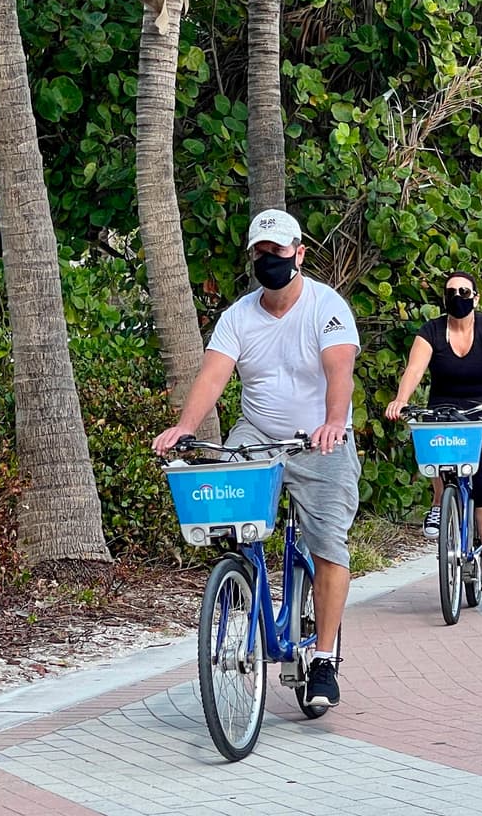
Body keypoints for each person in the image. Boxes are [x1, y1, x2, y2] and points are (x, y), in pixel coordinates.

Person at [152, 209, 361, 710]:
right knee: (234, 524)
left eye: (279, 252)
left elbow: (340, 372)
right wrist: (185, 426)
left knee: (330, 546)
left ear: (299, 254)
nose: (270, 261)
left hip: (320, 440)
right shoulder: (238, 317)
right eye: (261, 253)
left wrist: (334, 420)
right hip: (257, 435)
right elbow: (213, 377)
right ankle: (241, 586)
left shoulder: (326, 308)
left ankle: (325, 658)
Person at [384, 272, 482, 593]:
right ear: (443, 299)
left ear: (475, 298)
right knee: (437, 458)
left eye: (464, 291)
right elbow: (415, 369)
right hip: (444, 411)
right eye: (451, 292)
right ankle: (439, 503)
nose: (457, 296)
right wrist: (401, 400)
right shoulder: (431, 331)